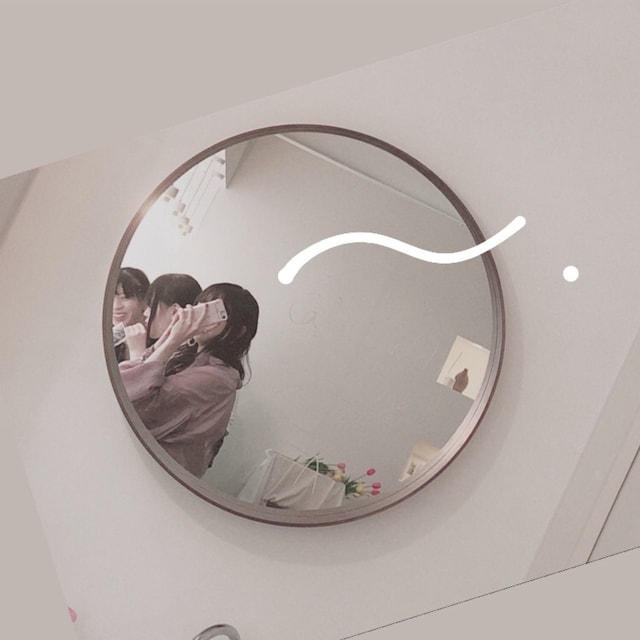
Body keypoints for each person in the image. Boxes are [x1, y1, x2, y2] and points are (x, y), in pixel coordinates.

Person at [119, 283, 259, 478]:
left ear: (237, 332)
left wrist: (172, 340)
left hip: (153, 475)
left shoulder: (218, 378)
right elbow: (122, 384)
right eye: (201, 306)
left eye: (214, 312)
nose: (200, 315)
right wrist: (172, 334)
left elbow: (130, 403)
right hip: (138, 463)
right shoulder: (187, 356)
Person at [123, 273, 202, 361]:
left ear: (175, 312)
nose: (145, 313)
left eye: (151, 306)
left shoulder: (190, 362)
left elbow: (142, 371)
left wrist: (137, 353)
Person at [112, 267, 150, 362]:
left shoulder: (159, 338)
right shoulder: (106, 338)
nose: (116, 306)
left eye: (125, 298)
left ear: (144, 300)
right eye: (110, 299)